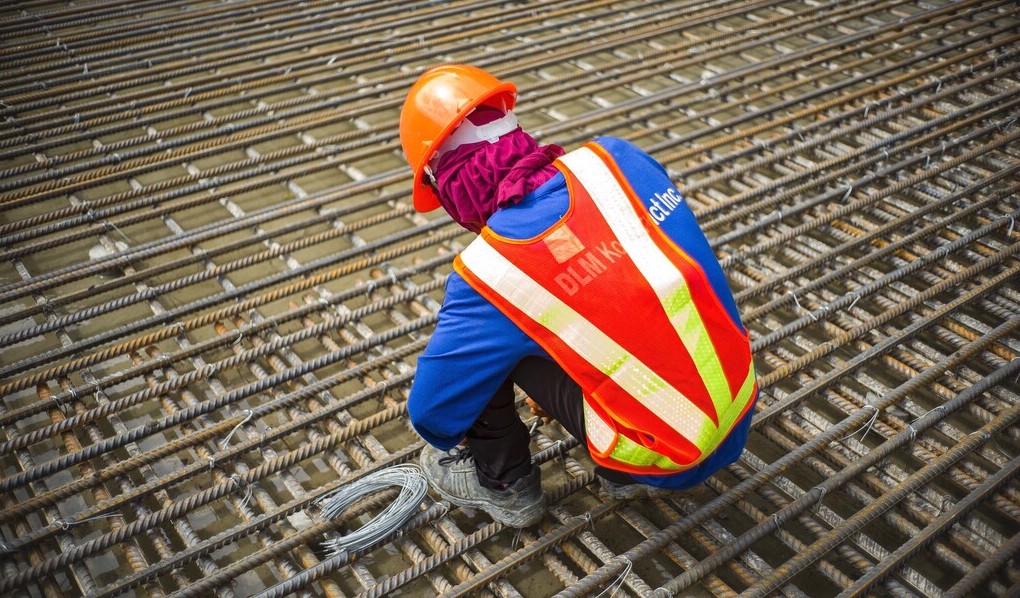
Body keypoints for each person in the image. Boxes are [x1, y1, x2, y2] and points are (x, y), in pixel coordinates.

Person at [399, 64, 757, 528]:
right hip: (739, 398)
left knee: (488, 346)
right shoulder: (616, 158)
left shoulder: (490, 269)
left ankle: (504, 482)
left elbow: (432, 412)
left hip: (668, 455)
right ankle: (625, 455)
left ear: (452, 181)